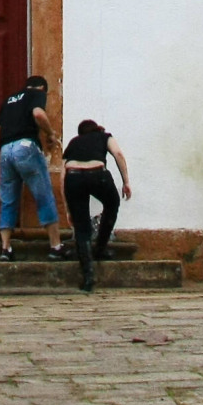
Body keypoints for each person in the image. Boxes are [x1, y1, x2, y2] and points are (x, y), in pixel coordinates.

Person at [0, 74, 64, 261]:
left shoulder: (8, 101)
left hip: (5, 150)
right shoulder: (36, 94)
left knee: (8, 200)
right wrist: (50, 134)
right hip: (26, 147)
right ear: (42, 88)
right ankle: (55, 246)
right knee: (44, 196)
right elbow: (39, 114)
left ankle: (5, 248)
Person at [60, 118, 132, 293]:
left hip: (73, 176)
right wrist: (126, 182)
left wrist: (67, 208)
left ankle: (88, 277)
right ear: (97, 129)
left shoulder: (73, 143)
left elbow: (62, 176)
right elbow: (119, 155)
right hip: (97, 174)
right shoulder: (104, 136)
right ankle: (100, 247)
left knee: (82, 226)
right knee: (112, 203)